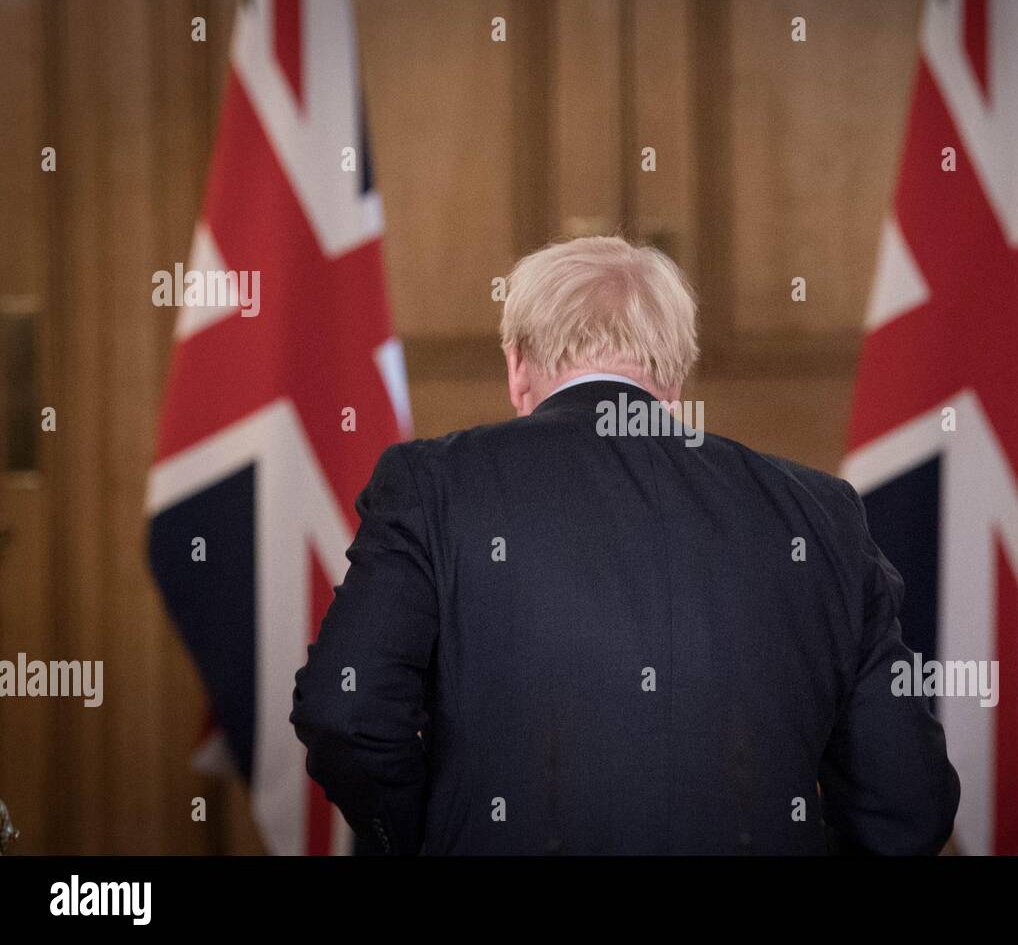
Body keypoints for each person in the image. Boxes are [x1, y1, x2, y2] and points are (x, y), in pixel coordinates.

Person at [291, 235, 960, 854]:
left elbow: (345, 712)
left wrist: (426, 838)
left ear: (517, 365)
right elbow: (909, 802)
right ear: (675, 376)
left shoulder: (431, 486)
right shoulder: (821, 514)